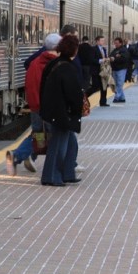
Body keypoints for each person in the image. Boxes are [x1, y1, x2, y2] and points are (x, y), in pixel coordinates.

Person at [5, 33, 61, 175]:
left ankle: (28, 156)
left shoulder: (35, 62)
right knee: (48, 135)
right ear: (57, 47)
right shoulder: (54, 64)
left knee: (39, 133)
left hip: (35, 105)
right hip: (48, 107)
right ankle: (18, 155)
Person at [39, 35, 83, 186]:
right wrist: (77, 111)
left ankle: (67, 172)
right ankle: (51, 176)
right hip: (62, 113)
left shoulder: (53, 64)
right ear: (73, 49)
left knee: (71, 144)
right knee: (58, 145)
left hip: (53, 110)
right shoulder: (67, 67)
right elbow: (73, 93)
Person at [108, 37, 130, 103]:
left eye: (116, 43)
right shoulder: (114, 50)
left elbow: (124, 58)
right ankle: (122, 98)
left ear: (120, 43)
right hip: (115, 69)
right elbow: (110, 56)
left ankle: (116, 97)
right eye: (114, 43)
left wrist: (115, 59)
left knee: (120, 83)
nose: (115, 44)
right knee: (116, 84)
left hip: (121, 69)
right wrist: (114, 57)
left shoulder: (124, 50)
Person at [91, 35, 110, 106]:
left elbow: (105, 57)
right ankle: (85, 96)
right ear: (97, 41)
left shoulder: (104, 49)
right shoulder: (93, 49)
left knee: (104, 86)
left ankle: (103, 102)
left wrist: (107, 60)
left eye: (103, 40)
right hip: (96, 70)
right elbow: (92, 60)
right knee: (95, 87)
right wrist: (101, 60)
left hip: (103, 71)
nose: (103, 42)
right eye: (102, 40)